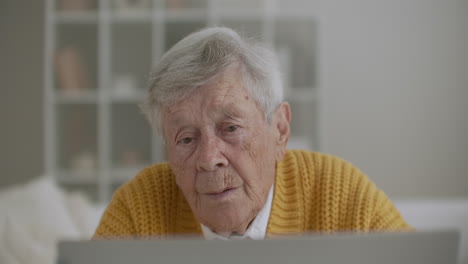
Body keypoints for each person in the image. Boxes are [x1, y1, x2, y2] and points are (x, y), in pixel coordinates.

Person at [93, 27, 410, 240]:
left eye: (230, 128)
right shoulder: (139, 208)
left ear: (280, 130)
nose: (208, 159)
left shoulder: (338, 195)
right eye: (186, 139)